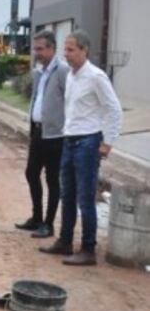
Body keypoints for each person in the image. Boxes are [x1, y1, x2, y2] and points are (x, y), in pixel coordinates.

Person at [39, 30, 123, 266]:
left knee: (85, 199)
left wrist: (108, 141)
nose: (66, 54)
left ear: (84, 51)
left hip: (88, 142)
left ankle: (88, 249)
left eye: (71, 50)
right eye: (65, 49)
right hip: (70, 140)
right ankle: (65, 241)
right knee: (68, 195)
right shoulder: (71, 77)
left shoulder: (96, 77)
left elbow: (113, 109)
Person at [18, 30, 69, 239]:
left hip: (55, 136)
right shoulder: (40, 71)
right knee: (31, 173)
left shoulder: (62, 71)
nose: (36, 52)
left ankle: (48, 224)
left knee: (52, 180)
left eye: (40, 49)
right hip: (38, 133)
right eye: (35, 48)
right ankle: (36, 217)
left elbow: (70, 100)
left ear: (51, 48)